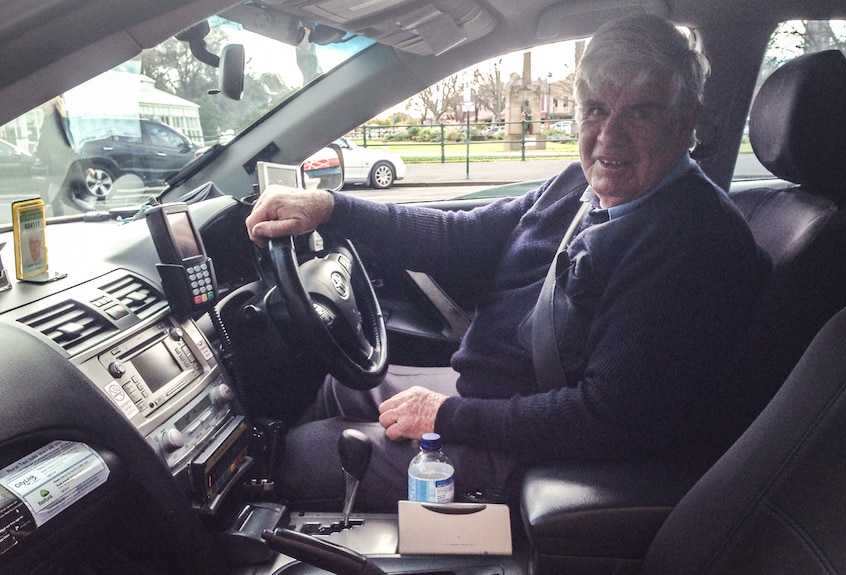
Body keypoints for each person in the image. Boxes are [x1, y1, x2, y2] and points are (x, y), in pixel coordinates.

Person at [245, 14, 769, 512]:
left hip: (543, 450)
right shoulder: (582, 185)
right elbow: (467, 236)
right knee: (342, 385)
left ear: (686, 121)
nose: (609, 135)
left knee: (295, 456)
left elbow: (606, 417)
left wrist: (448, 416)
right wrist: (333, 209)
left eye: (642, 111)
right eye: (595, 109)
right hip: (494, 402)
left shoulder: (691, 241)